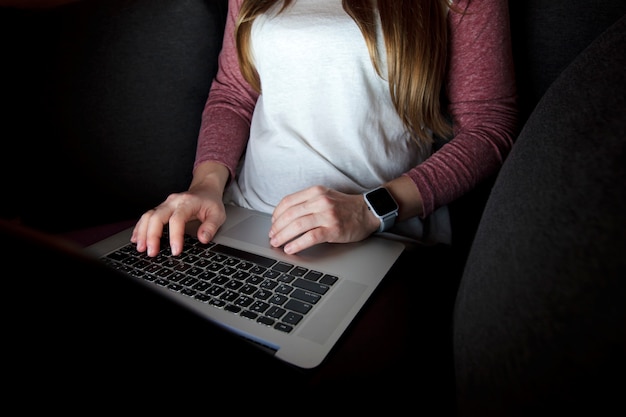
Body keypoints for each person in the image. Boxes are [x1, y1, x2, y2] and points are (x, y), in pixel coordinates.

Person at [131, 0, 518, 258]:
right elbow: (234, 94)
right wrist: (206, 186)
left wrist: (370, 211)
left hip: (377, 237)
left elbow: (488, 128)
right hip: (239, 220)